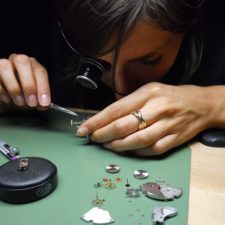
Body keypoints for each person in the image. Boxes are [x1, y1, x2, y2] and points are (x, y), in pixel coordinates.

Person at [0, 0, 225, 156]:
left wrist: (211, 104)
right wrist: (7, 89)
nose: (120, 91)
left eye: (148, 61)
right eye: (96, 65)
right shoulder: (36, 23)